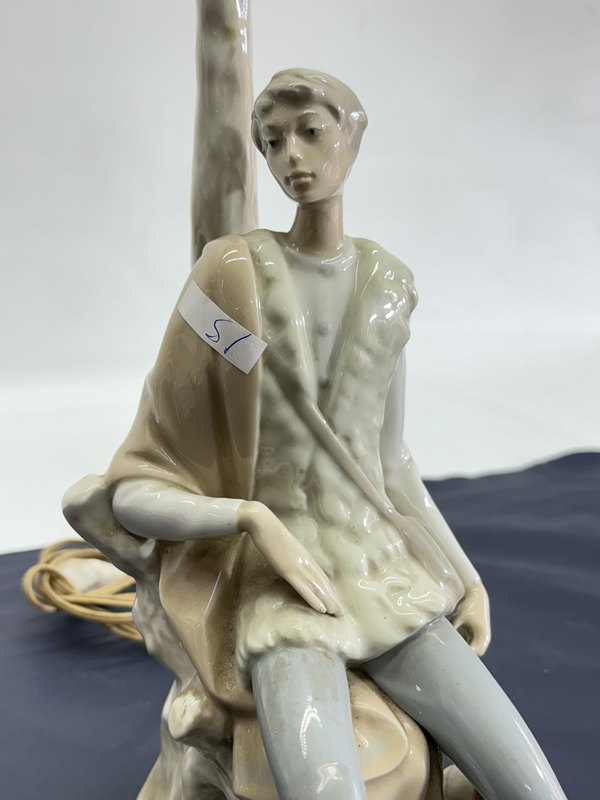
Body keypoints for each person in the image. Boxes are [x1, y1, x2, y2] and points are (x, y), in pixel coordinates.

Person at [64, 69, 567, 800]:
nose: (291, 156)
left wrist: (468, 578)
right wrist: (252, 518)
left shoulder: (388, 284)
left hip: (383, 575)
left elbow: (390, 463)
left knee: (530, 782)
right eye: (272, 142)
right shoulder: (227, 278)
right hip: (279, 596)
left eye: (310, 132)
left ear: (352, 137)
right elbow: (134, 490)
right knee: (323, 786)